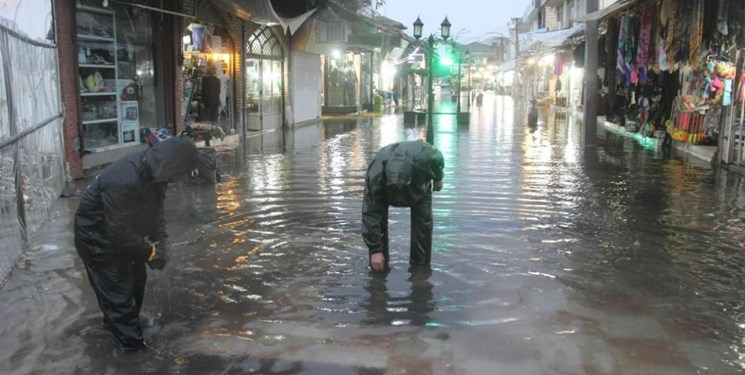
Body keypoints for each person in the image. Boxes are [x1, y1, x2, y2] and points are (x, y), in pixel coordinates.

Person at [74, 136, 199, 351]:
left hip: (124, 236)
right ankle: (134, 353)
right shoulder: (123, 180)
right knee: (120, 295)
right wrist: (150, 253)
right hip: (97, 240)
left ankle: (116, 328)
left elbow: (154, 211)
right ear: (172, 165)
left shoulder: (157, 173)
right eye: (181, 173)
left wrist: (161, 240)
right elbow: (118, 233)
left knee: (136, 284)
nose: (179, 179)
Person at [361, 140, 445, 272]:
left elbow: (438, 160)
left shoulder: (427, 156)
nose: (399, 188)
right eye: (396, 185)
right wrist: (375, 249)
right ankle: (380, 267)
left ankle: (420, 269)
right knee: (378, 224)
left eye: (401, 184)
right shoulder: (376, 175)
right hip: (384, 188)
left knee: (423, 228)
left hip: (419, 187)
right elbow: (371, 214)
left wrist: (438, 178)